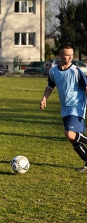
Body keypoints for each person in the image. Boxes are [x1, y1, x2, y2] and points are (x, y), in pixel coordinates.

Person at [40, 43, 87, 172]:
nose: (70, 58)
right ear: (60, 55)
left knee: (70, 134)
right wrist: (44, 98)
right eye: (67, 55)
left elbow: (86, 88)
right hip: (65, 108)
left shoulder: (76, 71)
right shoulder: (53, 71)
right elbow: (50, 86)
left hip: (77, 106)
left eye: (72, 55)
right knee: (72, 139)